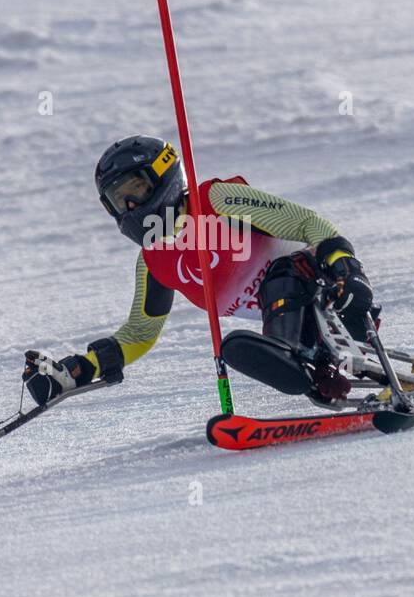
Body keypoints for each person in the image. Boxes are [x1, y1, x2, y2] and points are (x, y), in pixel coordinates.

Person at [22, 135, 375, 405]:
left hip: (329, 292)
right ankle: (308, 367)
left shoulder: (217, 200)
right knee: (280, 312)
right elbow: (141, 331)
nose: (130, 206)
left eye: (137, 190)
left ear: (164, 176)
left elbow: (309, 225)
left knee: (282, 273)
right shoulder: (154, 261)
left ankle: (288, 357)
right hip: (296, 327)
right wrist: (82, 369)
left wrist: (347, 270)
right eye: (119, 200)